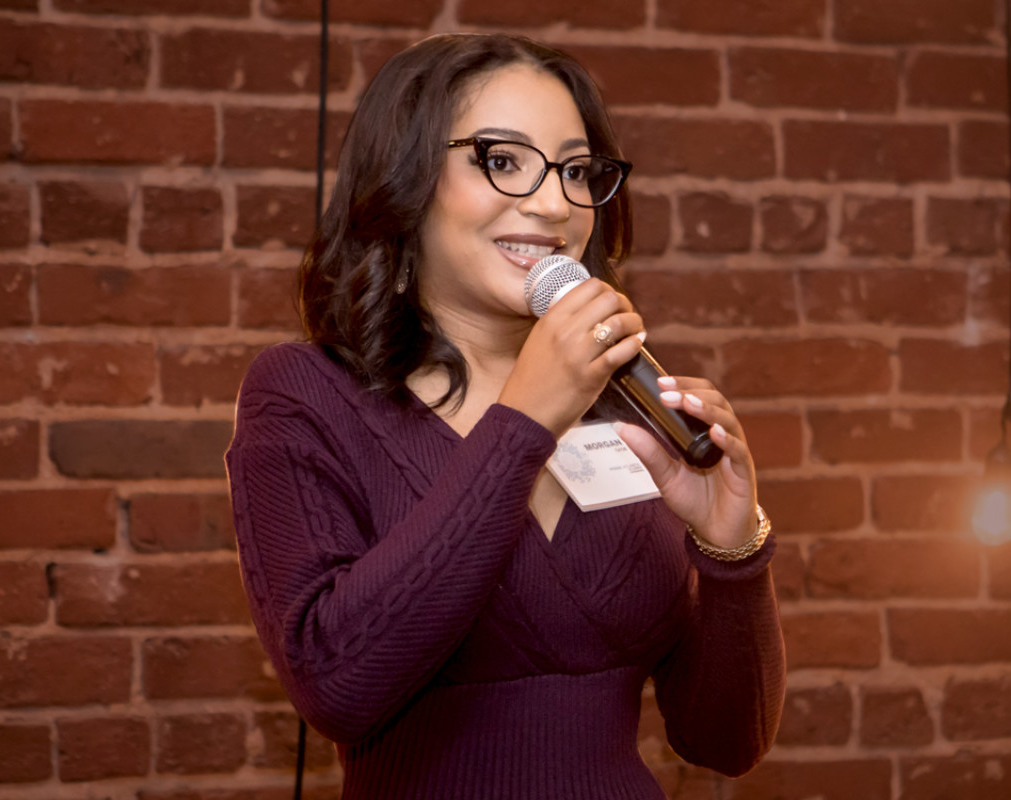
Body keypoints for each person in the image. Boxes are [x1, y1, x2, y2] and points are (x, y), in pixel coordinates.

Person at [225, 33, 785, 799]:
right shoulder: (305, 395)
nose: (555, 202)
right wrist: (524, 418)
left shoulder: (626, 398)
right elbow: (339, 688)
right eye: (503, 160)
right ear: (406, 182)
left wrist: (732, 553)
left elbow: (722, 743)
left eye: (576, 170)